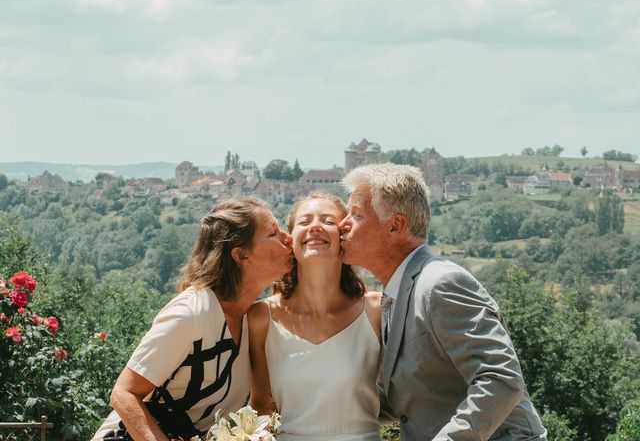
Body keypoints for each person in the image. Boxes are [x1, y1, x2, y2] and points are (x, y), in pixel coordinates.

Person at [339, 164, 547, 441]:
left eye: (356, 215)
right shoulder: (397, 293)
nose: (342, 225)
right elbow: (411, 403)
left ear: (395, 225)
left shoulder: (441, 283)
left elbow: (501, 380)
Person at [92, 198, 293, 441]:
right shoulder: (191, 313)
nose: (288, 238)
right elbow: (123, 393)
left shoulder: (252, 320)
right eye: (273, 232)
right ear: (241, 255)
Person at [249, 192, 382, 441]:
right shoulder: (260, 318)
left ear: (345, 238)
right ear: (290, 240)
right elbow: (261, 409)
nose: (315, 226)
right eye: (305, 221)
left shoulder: (375, 311)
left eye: (329, 221)